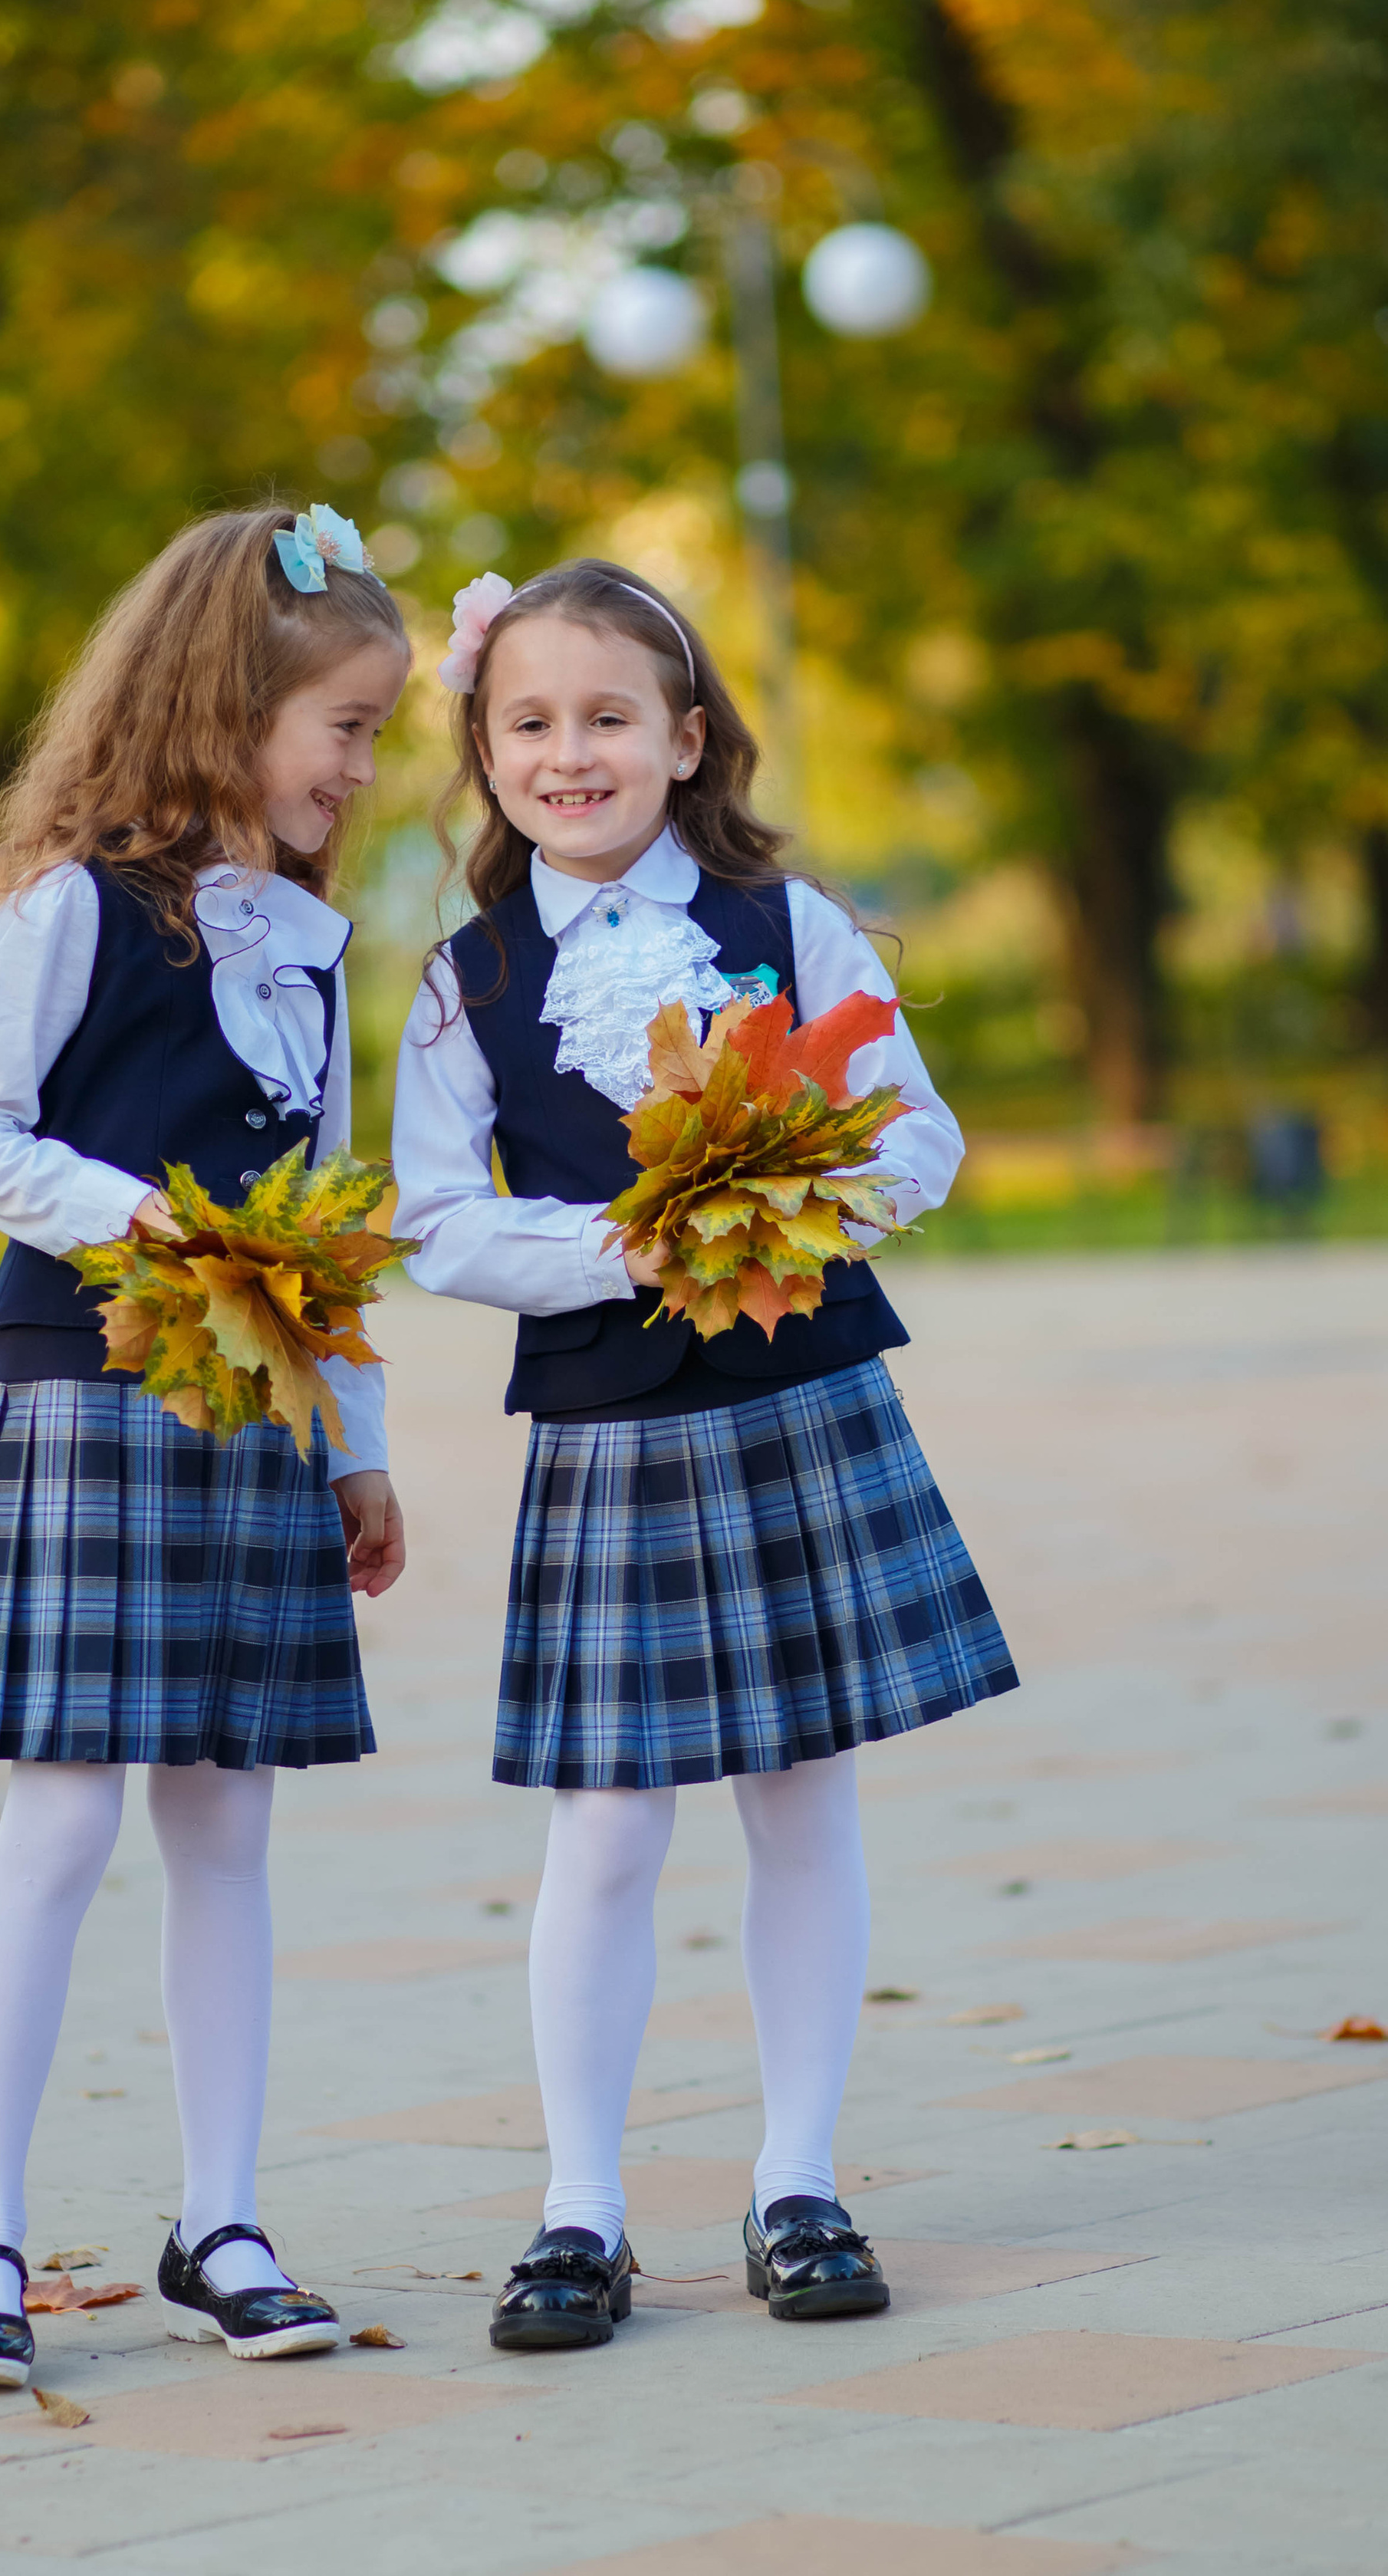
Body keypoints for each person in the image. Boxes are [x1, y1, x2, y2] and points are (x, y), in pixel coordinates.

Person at [390, 558, 1016, 2351]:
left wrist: (796, 1204)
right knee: (605, 1826)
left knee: (804, 1793)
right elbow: (436, 1223)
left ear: (683, 739)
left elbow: (919, 1137)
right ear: (485, 750)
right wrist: (619, 1249)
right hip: (609, 1422)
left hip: (798, 1394)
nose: (567, 754)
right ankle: (577, 2207)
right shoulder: (464, 983)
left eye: (605, 719)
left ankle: (794, 2179)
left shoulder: (784, 921)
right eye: (527, 724)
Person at [0, 505, 410, 2387]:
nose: (360, 768)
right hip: (86, 1394)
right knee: (62, 1818)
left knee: (228, 1821)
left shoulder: (313, 949)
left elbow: (334, 1217)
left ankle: (223, 2218)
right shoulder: (72, 909)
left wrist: (353, 1443)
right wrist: (152, 1227)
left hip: (253, 1416)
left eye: (370, 732)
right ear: (222, 703)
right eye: (340, 728)